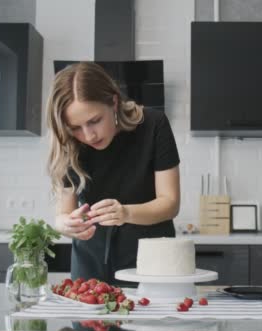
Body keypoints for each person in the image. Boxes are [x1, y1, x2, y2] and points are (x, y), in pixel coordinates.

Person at [46, 61, 180, 284]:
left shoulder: (154, 125)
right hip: (91, 261)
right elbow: (62, 215)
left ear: (114, 102)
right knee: (89, 319)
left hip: (152, 257)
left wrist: (125, 213)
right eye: (76, 127)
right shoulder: (69, 143)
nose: (88, 136)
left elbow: (170, 203)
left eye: (94, 121)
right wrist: (66, 225)